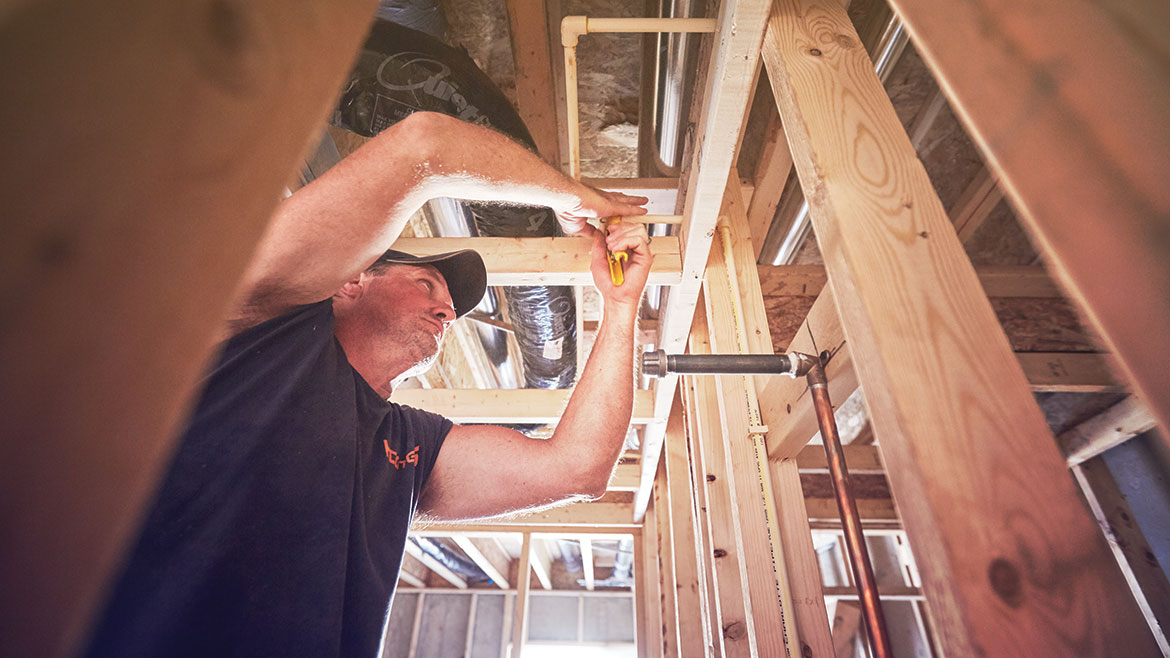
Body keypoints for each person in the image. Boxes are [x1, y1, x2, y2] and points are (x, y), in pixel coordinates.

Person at [82, 111, 654, 658]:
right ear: (352, 281)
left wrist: (621, 306)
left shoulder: (408, 443)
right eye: (428, 284)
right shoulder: (259, 323)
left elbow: (579, 469)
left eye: (450, 307)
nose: (447, 313)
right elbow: (424, 146)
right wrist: (582, 200)